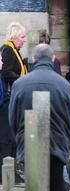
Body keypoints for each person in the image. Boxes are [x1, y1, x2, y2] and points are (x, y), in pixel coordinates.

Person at [8, 44, 70, 191]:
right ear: (53, 59)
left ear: (33, 59)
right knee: (56, 188)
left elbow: (13, 119)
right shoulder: (65, 85)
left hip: (29, 144)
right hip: (57, 145)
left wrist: (21, 138)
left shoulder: (19, 84)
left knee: (33, 190)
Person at [0, 22, 27, 181]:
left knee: (13, 136)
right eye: (22, 37)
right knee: (7, 137)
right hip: (8, 101)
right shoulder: (8, 50)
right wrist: (24, 80)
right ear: (14, 37)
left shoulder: (14, 50)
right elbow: (6, 72)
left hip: (14, 98)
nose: (24, 40)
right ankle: (8, 175)